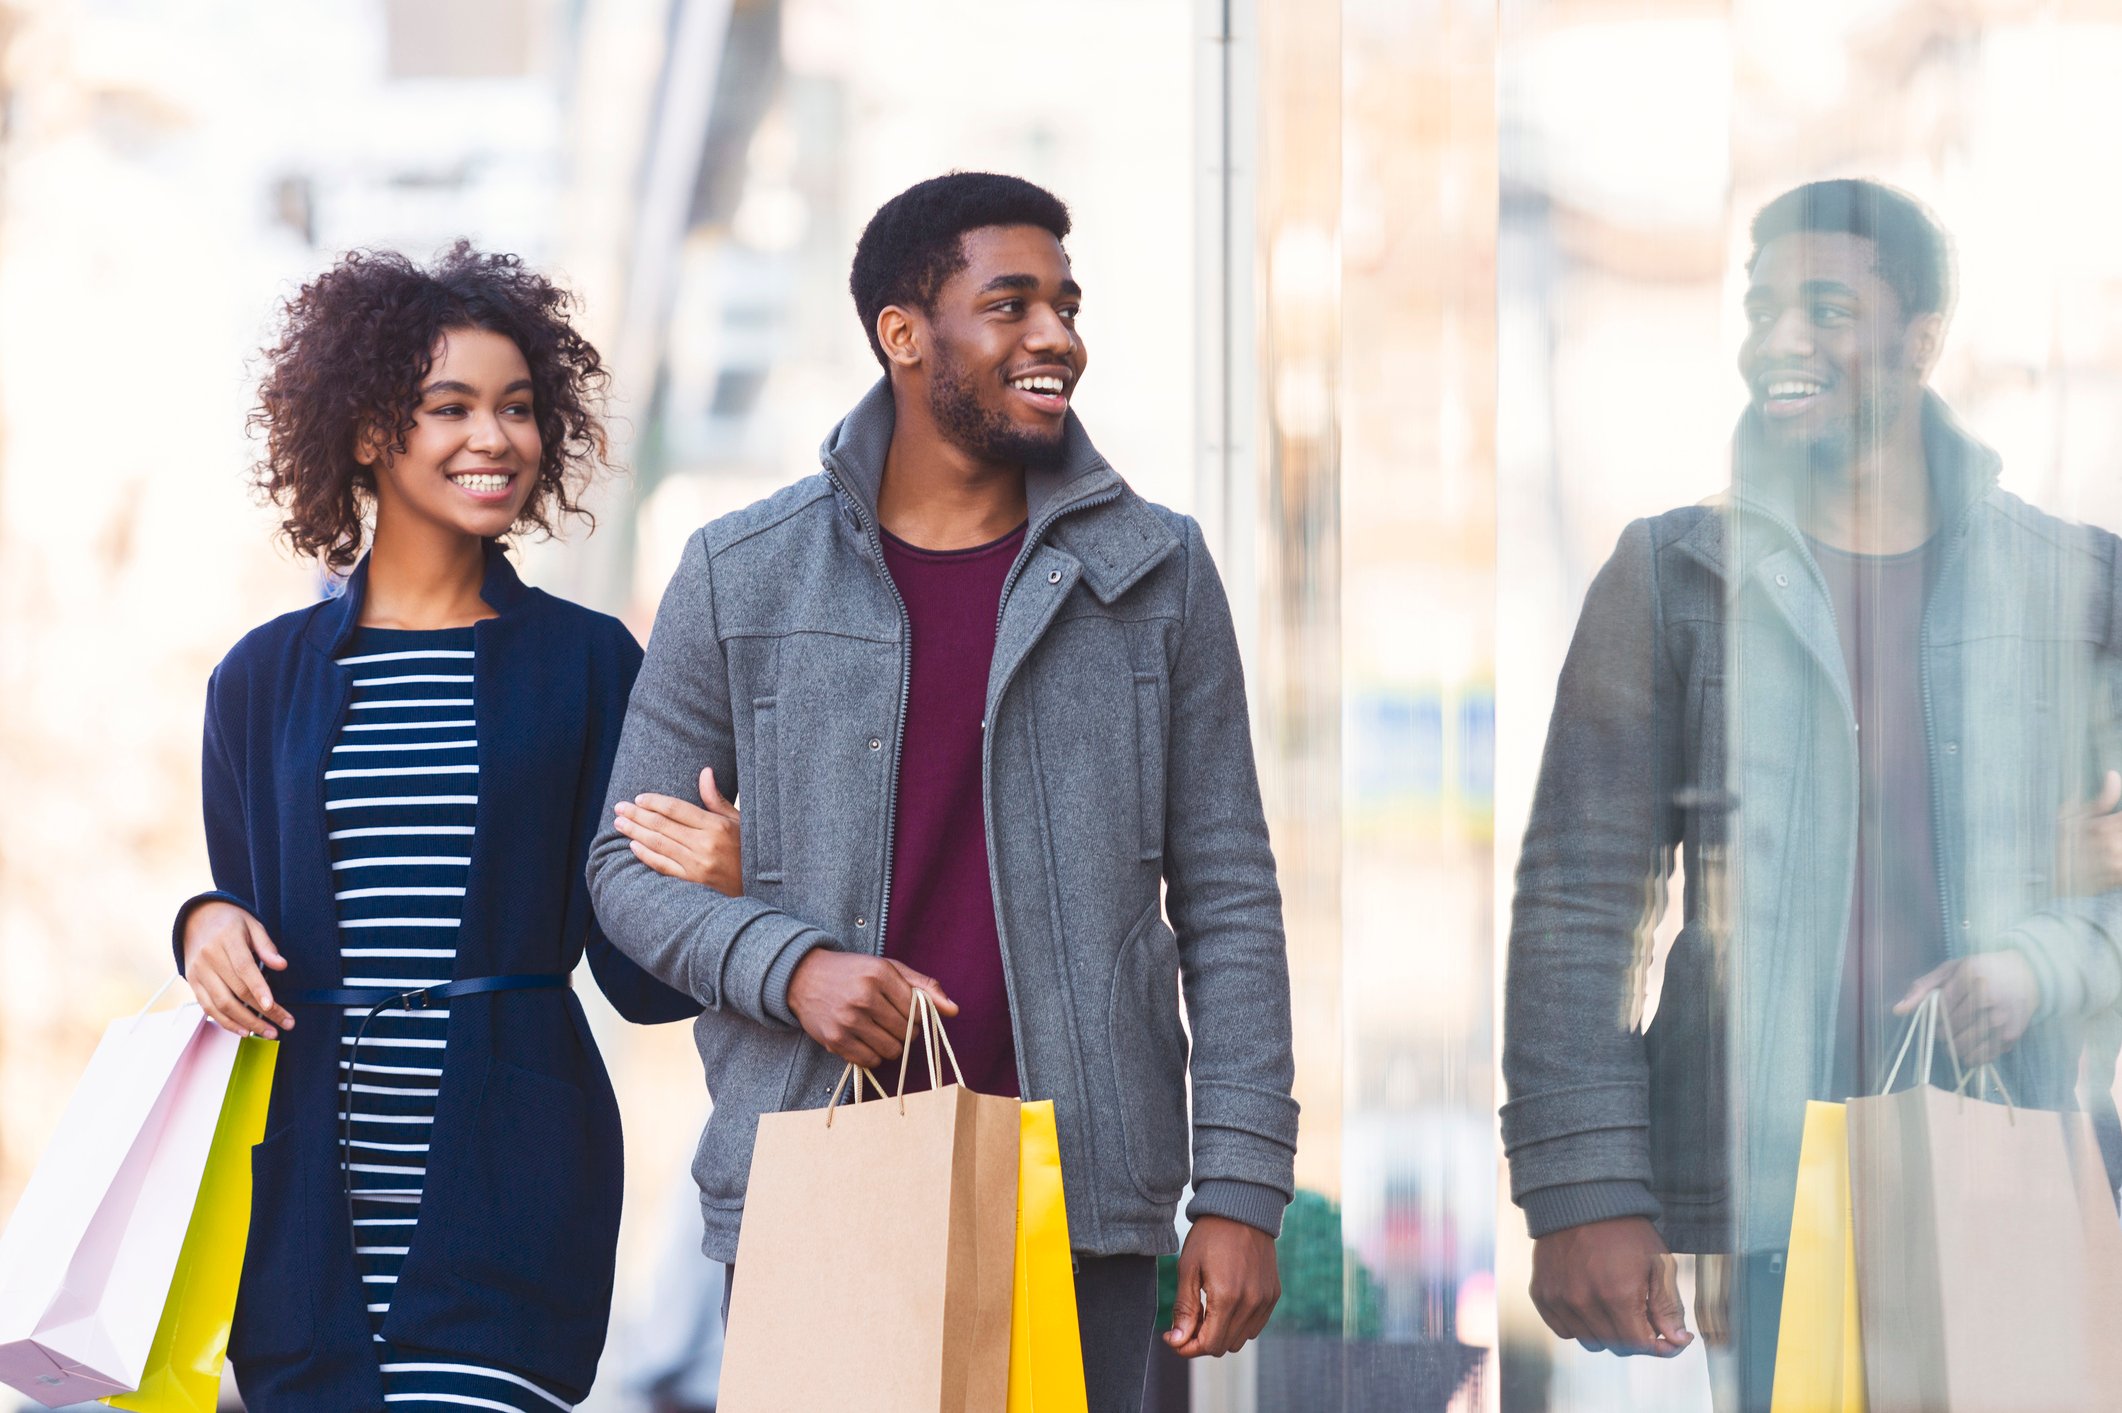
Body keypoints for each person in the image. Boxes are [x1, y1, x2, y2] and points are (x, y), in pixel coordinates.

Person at [587, 171, 1300, 1407]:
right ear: (904, 335)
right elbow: (621, 874)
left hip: (1084, 1200)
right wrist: (790, 966)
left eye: (1066, 306)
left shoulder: (1155, 571)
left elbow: (1230, 897)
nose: (1056, 338)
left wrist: (1239, 1189)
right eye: (1010, 304)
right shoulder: (742, 573)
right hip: (821, 1182)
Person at [1501, 179, 2122, 1408]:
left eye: (1826, 306)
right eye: (1762, 306)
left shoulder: (2078, 585)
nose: (1780, 338)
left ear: (1923, 337)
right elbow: (1579, 903)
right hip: (1764, 1195)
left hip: (2024, 1164)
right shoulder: (1671, 573)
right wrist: (1582, 1188)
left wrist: (2053, 938)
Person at [172, 244, 736, 1411]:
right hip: (302, 1215)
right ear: (370, 430)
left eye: (519, 409)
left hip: (510, 1187)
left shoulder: (588, 665)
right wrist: (201, 923)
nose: (497, 438)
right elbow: (249, 928)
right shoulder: (259, 679)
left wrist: (715, 890)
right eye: (452, 407)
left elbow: (638, 977)